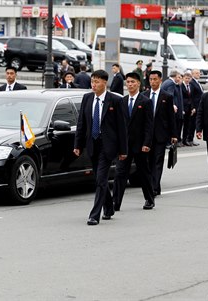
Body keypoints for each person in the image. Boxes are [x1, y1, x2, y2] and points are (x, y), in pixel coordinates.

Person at [74, 69, 128, 225]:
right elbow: (81, 124)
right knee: (100, 179)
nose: (94, 84)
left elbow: (121, 127)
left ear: (105, 83)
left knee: (100, 179)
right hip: (92, 144)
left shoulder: (115, 101)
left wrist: (123, 150)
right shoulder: (87, 98)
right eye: (92, 81)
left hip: (107, 146)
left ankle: (94, 215)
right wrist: (78, 144)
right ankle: (109, 208)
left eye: (97, 82)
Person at [113, 72, 154, 211]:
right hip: (124, 145)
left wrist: (147, 143)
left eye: (133, 82)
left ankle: (149, 199)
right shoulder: (121, 101)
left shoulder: (145, 102)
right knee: (120, 173)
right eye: (128, 82)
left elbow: (149, 125)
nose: (130, 84)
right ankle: (116, 203)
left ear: (138, 84)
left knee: (143, 172)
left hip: (140, 144)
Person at [142, 70, 178, 197]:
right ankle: (151, 184)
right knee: (148, 162)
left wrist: (174, 135)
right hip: (146, 136)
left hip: (160, 135)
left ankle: (154, 187)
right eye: (150, 79)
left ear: (160, 80)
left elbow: (171, 117)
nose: (152, 82)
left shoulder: (167, 96)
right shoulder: (144, 95)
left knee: (158, 161)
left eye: (155, 79)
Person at [161, 70, 183, 146]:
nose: (180, 79)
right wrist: (173, 105)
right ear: (175, 76)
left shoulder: (167, 82)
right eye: (178, 77)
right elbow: (170, 96)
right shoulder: (171, 83)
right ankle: (167, 142)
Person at [187, 69, 204, 146]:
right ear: (192, 74)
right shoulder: (192, 83)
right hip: (195, 106)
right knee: (192, 124)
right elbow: (191, 96)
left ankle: (191, 138)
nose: (198, 74)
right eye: (196, 73)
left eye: (199, 73)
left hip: (199, 106)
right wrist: (192, 107)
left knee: (194, 123)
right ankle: (189, 139)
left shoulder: (197, 82)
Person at [181, 71, 194, 146]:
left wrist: (192, 108)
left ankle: (185, 140)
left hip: (189, 108)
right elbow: (181, 98)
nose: (187, 80)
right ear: (183, 78)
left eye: (189, 78)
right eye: (186, 78)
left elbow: (191, 98)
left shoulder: (191, 86)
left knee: (187, 125)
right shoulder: (181, 86)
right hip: (183, 108)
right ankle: (178, 140)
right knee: (180, 125)